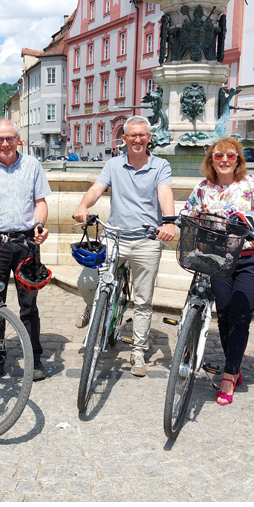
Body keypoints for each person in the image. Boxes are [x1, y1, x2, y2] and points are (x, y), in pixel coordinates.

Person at [73, 115, 176, 377]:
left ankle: (138, 351)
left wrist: (169, 222)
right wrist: (84, 205)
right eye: (133, 135)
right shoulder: (113, 164)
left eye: (142, 135)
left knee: (143, 300)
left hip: (146, 240)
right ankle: (91, 306)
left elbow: (165, 193)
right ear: (125, 139)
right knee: (87, 281)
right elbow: (97, 188)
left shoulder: (161, 166)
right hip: (115, 236)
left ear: (149, 138)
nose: (138, 139)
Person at [183, 137, 254, 405]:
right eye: (219, 156)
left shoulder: (249, 184)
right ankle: (234, 363)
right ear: (211, 160)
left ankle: (230, 373)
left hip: (251, 258)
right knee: (225, 315)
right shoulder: (204, 188)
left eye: (230, 156)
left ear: (238, 159)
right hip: (219, 260)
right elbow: (189, 212)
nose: (225, 160)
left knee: (240, 316)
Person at [0, 119, 52, 381]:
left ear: (18, 139)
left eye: (9, 138)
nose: (5, 144)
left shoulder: (32, 165)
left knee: (29, 306)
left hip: (26, 242)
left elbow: (40, 202)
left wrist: (40, 224)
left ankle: (34, 357)